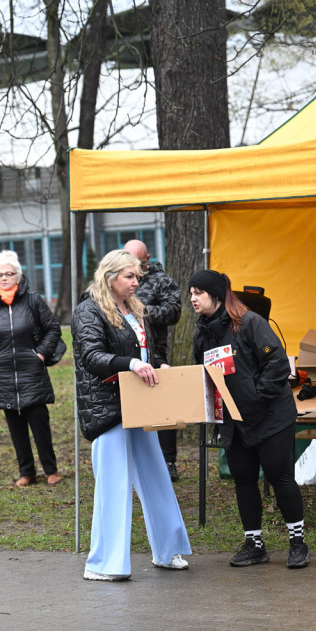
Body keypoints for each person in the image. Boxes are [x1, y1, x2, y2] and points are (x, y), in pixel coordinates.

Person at [71, 249, 191, 581]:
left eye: (138, 276)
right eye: (129, 276)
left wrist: (157, 364)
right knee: (113, 486)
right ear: (110, 277)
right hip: (107, 408)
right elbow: (92, 356)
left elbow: (144, 351)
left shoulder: (135, 308)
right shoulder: (88, 310)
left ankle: (168, 550)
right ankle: (103, 564)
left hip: (139, 403)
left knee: (157, 477)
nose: (136, 282)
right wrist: (132, 364)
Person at [189, 270, 309, 569]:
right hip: (233, 421)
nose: (193, 298)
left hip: (270, 416)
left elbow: (277, 364)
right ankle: (254, 545)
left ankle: (298, 543)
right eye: (190, 293)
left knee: (280, 478)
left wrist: (257, 397)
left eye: (198, 292)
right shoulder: (203, 333)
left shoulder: (250, 323)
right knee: (244, 481)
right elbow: (202, 375)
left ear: (216, 295)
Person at [0, 250, 62, 487]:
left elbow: (53, 328)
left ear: (18, 276)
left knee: (40, 424)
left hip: (32, 372)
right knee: (15, 427)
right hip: (3, 375)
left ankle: (51, 470)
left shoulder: (33, 301)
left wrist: (40, 353)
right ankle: (26, 472)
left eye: (8, 274)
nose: (3, 278)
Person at [123, 239, 183, 481]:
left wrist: (143, 312)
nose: (132, 266)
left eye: (136, 262)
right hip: (126, 355)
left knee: (163, 409)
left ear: (147, 260)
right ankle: (135, 460)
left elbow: (174, 312)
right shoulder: (119, 279)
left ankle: (168, 462)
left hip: (155, 353)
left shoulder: (162, 280)